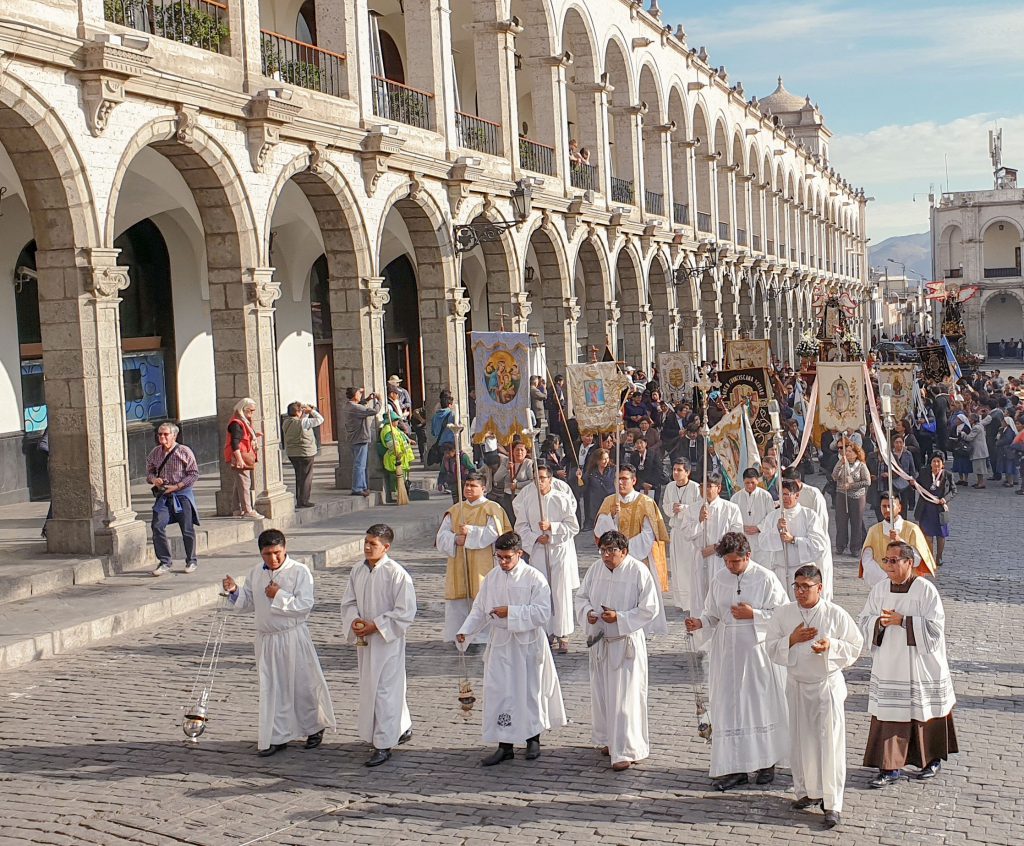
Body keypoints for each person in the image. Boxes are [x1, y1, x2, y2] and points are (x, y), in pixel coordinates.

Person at [684, 532, 790, 791]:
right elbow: (712, 614)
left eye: (736, 562)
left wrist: (753, 614)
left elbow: (784, 614)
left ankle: (766, 762)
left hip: (756, 655)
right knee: (730, 709)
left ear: (748, 556)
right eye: (727, 562)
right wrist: (700, 622)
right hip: (726, 655)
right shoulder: (719, 578)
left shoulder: (766, 578)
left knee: (757, 706)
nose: (731, 567)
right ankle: (736, 767)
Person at [456, 532, 567, 766]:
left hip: (527, 644)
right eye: (499, 558)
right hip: (501, 642)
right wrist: (466, 630)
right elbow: (479, 610)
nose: (503, 562)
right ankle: (504, 744)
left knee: (528, 690)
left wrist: (512, 612)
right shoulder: (492, 578)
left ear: (519, 553)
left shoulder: (534, 578)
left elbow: (542, 612)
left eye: (507, 557)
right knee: (500, 691)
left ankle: (532, 738)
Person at [222, 529, 336, 756]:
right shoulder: (256, 573)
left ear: (285, 550)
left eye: (277, 553)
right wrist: (235, 591)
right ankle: (278, 734)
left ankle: (314, 726)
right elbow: (250, 601)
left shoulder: (299, 572)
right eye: (267, 554)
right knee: (273, 688)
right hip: (267, 639)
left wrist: (279, 595)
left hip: (292, 636)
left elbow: (305, 605)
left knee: (302, 684)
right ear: (260, 553)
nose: (273, 559)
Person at [765, 565, 863, 829]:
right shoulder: (784, 614)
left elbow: (856, 645)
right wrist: (792, 639)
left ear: (819, 587)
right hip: (796, 685)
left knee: (829, 745)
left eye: (805, 587)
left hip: (824, 687)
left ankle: (832, 803)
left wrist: (832, 646)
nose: (799, 592)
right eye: (796, 586)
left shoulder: (834, 613)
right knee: (801, 741)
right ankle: (808, 791)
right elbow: (770, 647)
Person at [859, 541, 958, 788]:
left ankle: (931, 760)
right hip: (891, 663)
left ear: (909, 562)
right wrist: (879, 623)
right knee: (891, 713)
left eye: (894, 561)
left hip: (921, 664)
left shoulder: (925, 591)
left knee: (925, 711)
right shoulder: (880, 589)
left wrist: (903, 621)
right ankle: (890, 767)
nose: (889, 566)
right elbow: (864, 620)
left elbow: (935, 630)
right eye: (886, 560)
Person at [575, 530, 660, 771]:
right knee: (602, 694)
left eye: (612, 550)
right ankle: (608, 739)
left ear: (624, 551)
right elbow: (581, 597)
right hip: (601, 641)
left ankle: (627, 748)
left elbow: (649, 608)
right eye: (603, 550)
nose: (606, 555)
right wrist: (589, 613)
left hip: (625, 643)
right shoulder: (595, 570)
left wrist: (620, 618)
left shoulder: (638, 572)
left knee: (625, 698)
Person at [341, 524, 416, 767]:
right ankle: (401, 726)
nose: (366, 547)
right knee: (371, 687)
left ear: (386, 547)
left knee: (386, 690)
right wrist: (354, 621)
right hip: (365, 642)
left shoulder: (397, 574)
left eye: (373, 544)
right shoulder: (357, 571)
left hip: (387, 642)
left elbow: (405, 612)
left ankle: (383, 744)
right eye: (366, 542)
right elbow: (348, 601)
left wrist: (378, 625)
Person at [435, 473, 512, 644]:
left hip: (483, 560)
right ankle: (460, 633)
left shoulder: (492, 509)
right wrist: (455, 539)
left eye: (473, 485)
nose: (468, 489)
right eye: (466, 485)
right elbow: (442, 535)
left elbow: (494, 534)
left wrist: (470, 533)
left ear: (484, 488)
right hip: (458, 562)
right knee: (460, 600)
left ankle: (482, 636)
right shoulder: (456, 510)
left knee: (482, 596)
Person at [594, 466, 671, 636]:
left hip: (638, 558)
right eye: (618, 479)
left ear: (634, 480)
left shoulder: (645, 502)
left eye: (624, 479)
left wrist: (625, 551)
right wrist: (612, 517)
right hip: (614, 560)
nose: (620, 482)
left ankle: (640, 626)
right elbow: (600, 531)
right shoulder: (609, 501)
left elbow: (649, 534)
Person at [514, 465, 581, 653]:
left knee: (560, 592)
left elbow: (572, 526)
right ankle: (545, 630)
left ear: (550, 480)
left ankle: (563, 632)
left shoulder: (562, 499)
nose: (540, 482)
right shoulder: (528, 500)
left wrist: (552, 529)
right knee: (542, 590)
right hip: (538, 550)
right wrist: (536, 538)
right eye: (537, 478)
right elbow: (521, 526)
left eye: (543, 478)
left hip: (558, 550)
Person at [675, 473, 743, 618]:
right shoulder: (692, 509)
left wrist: (715, 548)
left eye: (708, 486)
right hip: (700, 557)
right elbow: (686, 533)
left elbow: (736, 535)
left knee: (720, 593)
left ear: (718, 488)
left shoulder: (731, 508)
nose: (704, 490)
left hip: (721, 558)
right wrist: (699, 521)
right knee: (700, 597)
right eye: (701, 486)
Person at [758, 479, 831, 600]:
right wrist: (776, 531)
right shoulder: (772, 516)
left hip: (802, 571)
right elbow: (762, 542)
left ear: (797, 495)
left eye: (787, 494)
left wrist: (794, 540)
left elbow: (818, 544)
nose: (783, 498)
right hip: (780, 570)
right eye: (781, 494)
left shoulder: (809, 515)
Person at [146, 422, 200, 576]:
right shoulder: (155, 452)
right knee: (157, 526)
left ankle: (191, 560)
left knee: (187, 528)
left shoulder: (184, 451)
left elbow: (194, 473)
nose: (162, 437)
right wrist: (154, 480)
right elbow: (149, 473)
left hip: (181, 495)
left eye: (165, 434)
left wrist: (178, 486)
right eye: (159, 434)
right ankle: (164, 561)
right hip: (164, 496)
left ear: (174, 435)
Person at [860, 493, 936, 586]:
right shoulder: (873, 531)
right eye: (884, 506)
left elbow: (916, 561)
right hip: (881, 583)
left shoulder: (912, 529)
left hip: (908, 585)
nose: (887, 510)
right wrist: (886, 578)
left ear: (899, 507)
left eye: (890, 506)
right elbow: (867, 560)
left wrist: (900, 541)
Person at [661, 459, 703, 611]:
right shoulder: (670, 487)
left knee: (690, 566)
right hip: (676, 531)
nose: (676, 473)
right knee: (677, 567)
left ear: (687, 472)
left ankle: (692, 601)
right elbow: (665, 505)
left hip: (691, 532)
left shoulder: (696, 488)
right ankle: (680, 601)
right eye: (674, 469)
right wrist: (672, 508)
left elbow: (700, 507)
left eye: (679, 470)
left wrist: (684, 509)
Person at [913, 453, 956, 567]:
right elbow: (916, 485)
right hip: (926, 508)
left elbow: (953, 491)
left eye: (938, 461)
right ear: (930, 463)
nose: (936, 464)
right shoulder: (924, 473)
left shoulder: (948, 475)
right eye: (934, 461)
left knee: (941, 535)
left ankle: (939, 557)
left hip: (940, 509)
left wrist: (945, 499)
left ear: (942, 464)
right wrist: (913, 483)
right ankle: (929, 557)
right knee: (927, 534)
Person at [224, 397, 263, 517]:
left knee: (240, 482)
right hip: (240, 455)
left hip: (242, 454)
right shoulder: (236, 423)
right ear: (243, 409)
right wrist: (240, 459)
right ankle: (248, 510)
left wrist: (254, 435)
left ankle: (236, 508)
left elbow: (242, 437)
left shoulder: (241, 421)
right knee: (245, 482)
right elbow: (234, 442)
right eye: (250, 410)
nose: (252, 413)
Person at [831, 442, 871, 555]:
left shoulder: (861, 466)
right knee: (841, 521)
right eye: (846, 451)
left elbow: (867, 481)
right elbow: (834, 476)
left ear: (856, 454)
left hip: (856, 496)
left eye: (849, 451)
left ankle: (855, 547)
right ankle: (840, 545)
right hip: (842, 495)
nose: (847, 453)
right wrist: (840, 463)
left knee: (856, 522)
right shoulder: (842, 463)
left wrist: (852, 486)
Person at [283, 401, 324, 509]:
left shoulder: (286, 422)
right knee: (306, 477)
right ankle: (304, 500)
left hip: (292, 453)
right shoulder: (303, 422)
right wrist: (312, 411)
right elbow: (320, 420)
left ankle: (300, 499)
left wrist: (305, 413)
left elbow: (302, 421)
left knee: (299, 476)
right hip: (305, 452)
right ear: (297, 412)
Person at [732, 467, 776, 563]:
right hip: (743, 538)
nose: (750, 485)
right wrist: (742, 527)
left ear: (757, 480)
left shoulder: (766, 496)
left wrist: (758, 527)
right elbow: (732, 519)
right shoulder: (736, 498)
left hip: (761, 538)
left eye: (753, 482)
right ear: (743, 481)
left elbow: (771, 516)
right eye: (747, 483)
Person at [344, 387, 381, 497]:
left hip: (354, 438)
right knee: (359, 465)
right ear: (355, 395)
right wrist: (379, 400)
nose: (360, 395)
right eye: (359, 393)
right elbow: (373, 411)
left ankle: (363, 486)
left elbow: (361, 405)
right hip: (359, 438)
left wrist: (368, 399)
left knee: (361, 464)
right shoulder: (355, 408)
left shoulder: (348, 405)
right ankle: (358, 488)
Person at [378, 412, 415, 503]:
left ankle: (403, 494)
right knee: (395, 479)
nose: (398, 421)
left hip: (402, 459)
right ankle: (396, 496)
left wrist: (409, 440)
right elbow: (391, 444)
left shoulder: (395, 429)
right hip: (394, 458)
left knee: (403, 479)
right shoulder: (388, 430)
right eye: (396, 420)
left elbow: (402, 437)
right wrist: (397, 453)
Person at [582, 447, 615, 532]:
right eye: (603, 459)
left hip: (610, 499)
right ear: (597, 460)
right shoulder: (590, 472)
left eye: (607, 458)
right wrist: (579, 478)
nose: (606, 461)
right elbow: (583, 486)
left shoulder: (613, 469)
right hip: (596, 501)